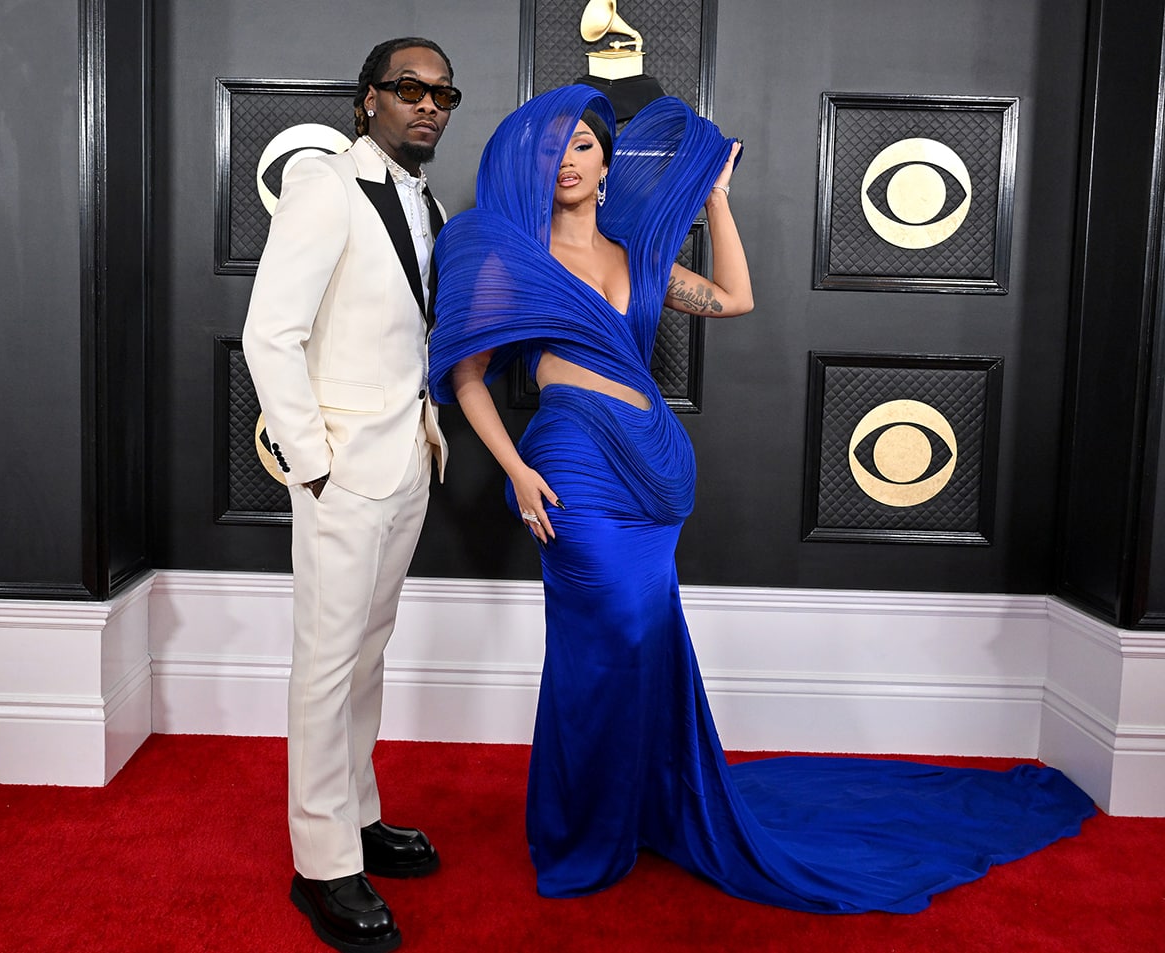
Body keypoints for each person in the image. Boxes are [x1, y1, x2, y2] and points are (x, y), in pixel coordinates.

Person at [427, 84, 1095, 914]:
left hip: (658, 468)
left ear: (606, 166)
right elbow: (466, 377)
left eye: (585, 147)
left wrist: (717, 199)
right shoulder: (507, 256)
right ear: (534, 166)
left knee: (643, 644)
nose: (568, 161)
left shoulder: (637, 259)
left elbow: (736, 299)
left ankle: (642, 809)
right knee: (602, 645)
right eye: (553, 149)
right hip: (573, 467)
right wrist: (514, 470)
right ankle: (577, 833)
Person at [242, 36, 459, 953]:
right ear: (367, 99)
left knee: (367, 652)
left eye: (443, 94)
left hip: (410, 456)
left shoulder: (428, 199)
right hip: (343, 470)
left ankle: (360, 813)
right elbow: (269, 333)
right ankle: (322, 861)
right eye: (410, 89)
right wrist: (314, 461)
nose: (428, 106)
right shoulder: (324, 189)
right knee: (327, 663)